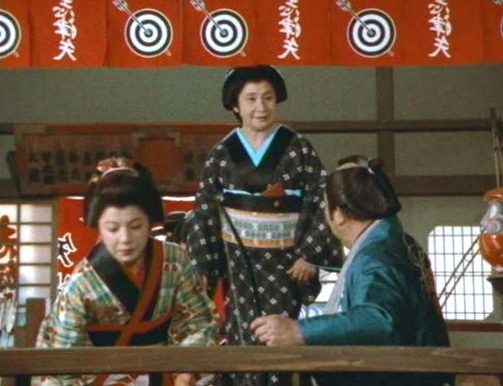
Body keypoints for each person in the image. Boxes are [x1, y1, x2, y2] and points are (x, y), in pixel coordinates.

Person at [188, 65, 342, 385]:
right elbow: (204, 213)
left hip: (286, 265)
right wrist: (204, 268)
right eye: (251, 99)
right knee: (241, 337)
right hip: (239, 264)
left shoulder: (298, 148)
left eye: (268, 98)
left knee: (283, 342)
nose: (261, 107)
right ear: (235, 105)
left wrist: (311, 255)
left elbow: (321, 200)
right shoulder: (221, 154)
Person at [251, 156, 453, 386]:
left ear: (338, 214)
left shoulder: (377, 255)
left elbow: (378, 320)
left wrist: (299, 331)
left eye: (326, 206)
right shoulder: (398, 242)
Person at [34, 157, 218, 386]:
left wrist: (186, 370)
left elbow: (199, 322)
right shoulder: (81, 284)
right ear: (98, 227)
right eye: (113, 228)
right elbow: (63, 362)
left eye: (135, 226)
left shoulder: (175, 260)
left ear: (150, 222)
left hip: (167, 375)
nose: (125, 239)